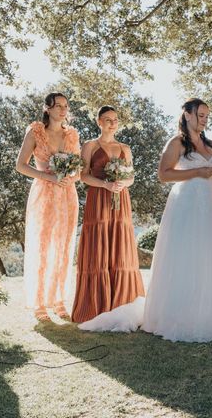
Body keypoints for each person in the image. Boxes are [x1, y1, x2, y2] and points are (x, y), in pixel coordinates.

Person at [78, 99, 212, 342]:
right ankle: (183, 314)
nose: (205, 119)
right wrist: (196, 172)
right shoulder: (176, 143)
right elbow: (163, 175)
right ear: (187, 115)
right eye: (201, 115)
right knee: (185, 257)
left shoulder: (211, 144)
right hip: (186, 205)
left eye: (207, 115)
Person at [71, 106, 145, 323]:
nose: (112, 123)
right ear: (99, 122)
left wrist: (123, 182)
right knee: (98, 246)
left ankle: (122, 302)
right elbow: (83, 176)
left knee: (120, 247)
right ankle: (95, 305)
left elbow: (131, 177)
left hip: (120, 200)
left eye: (115, 120)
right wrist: (105, 183)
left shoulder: (125, 148)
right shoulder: (90, 146)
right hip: (99, 199)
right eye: (107, 119)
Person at [16, 92, 80, 321]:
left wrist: (68, 179)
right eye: (58, 106)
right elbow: (21, 165)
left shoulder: (72, 135)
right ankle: (39, 302)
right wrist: (48, 177)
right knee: (43, 246)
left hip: (66, 195)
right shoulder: (35, 132)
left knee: (63, 247)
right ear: (48, 108)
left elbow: (79, 170)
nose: (63, 110)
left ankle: (59, 299)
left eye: (66, 106)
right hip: (44, 193)